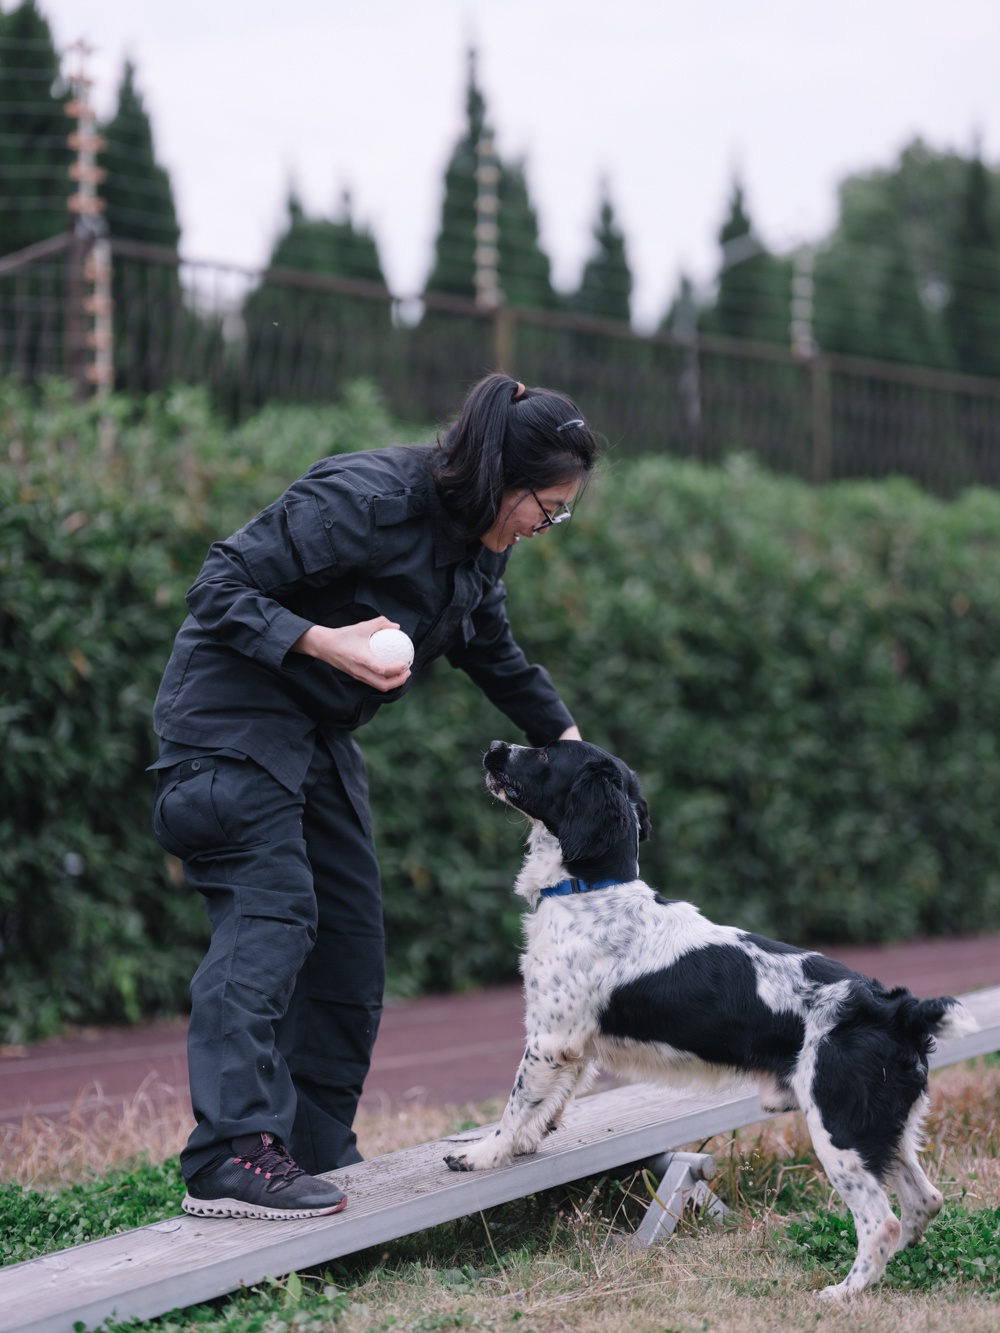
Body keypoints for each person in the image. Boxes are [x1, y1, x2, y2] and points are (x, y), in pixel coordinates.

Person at [149, 372, 598, 1220]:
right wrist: (324, 640)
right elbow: (217, 587)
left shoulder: (475, 549)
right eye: (549, 506)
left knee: (351, 949)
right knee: (271, 917)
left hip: (315, 740)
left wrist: (574, 751)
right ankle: (230, 1153)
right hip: (230, 725)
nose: (549, 525)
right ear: (505, 475)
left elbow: (491, 648)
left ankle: (309, 1150)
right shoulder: (364, 499)